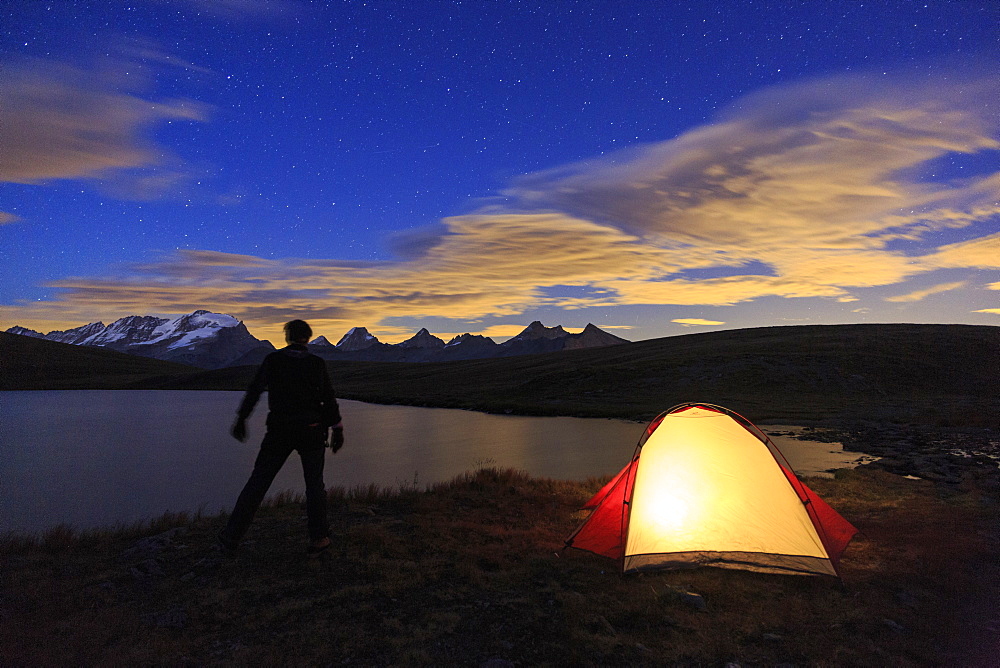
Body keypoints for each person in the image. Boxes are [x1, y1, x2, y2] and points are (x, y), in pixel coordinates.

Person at [218, 319, 344, 557]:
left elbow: (255, 390)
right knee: (314, 485)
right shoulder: (316, 363)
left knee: (258, 483)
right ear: (307, 338)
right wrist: (337, 428)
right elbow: (328, 397)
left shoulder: (273, 360)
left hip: (280, 431)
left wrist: (242, 418)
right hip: (312, 430)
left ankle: (230, 538)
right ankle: (319, 538)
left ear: (287, 337)